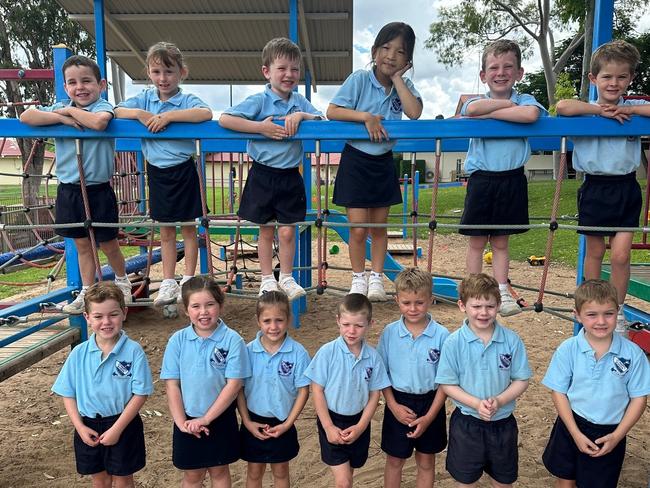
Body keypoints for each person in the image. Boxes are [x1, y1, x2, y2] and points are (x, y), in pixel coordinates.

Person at [20, 55, 132, 314]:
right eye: (72, 82)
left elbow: (98, 123)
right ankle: (87, 289)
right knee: (82, 244)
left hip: (97, 188)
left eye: (86, 81)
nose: (80, 87)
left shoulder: (102, 105)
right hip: (69, 188)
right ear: (66, 86)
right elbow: (27, 116)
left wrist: (69, 113)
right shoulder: (58, 106)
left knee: (108, 242)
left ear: (101, 84)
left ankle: (122, 279)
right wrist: (61, 116)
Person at [555, 40, 650, 335]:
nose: (614, 83)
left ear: (630, 79)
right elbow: (561, 106)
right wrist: (600, 111)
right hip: (594, 187)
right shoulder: (585, 110)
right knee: (594, 251)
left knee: (621, 255)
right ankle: (591, 307)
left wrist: (630, 112)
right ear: (593, 79)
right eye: (607, 77)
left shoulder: (633, 107)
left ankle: (617, 310)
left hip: (625, 187)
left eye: (622, 77)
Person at [219, 37, 323, 300]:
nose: (289, 74)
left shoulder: (299, 101)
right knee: (265, 230)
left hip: (290, 175)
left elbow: (323, 118)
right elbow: (225, 118)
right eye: (282, 68)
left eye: (295, 69)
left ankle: (286, 277)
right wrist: (260, 128)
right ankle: (267, 278)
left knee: (288, 230)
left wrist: (301, 115)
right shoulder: (259, 101)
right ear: (267, 71)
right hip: (262, 173)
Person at [326, 22, 422, 302]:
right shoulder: (359, 79)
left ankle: (377, 277)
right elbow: (333, 111)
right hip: (355, 161)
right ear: (374, 51)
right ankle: (359, 277)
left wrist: (399, 81)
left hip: (382, 162)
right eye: (386, 48)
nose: (391, 56)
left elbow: (414, 112)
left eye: (400, 52)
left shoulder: (403, 86)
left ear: (408, 61)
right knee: (357, 228)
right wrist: (365, 116)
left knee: (379, 228)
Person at [115, 42, 213, 306]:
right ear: (149, 73)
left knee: (189, 229)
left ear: (182, 72)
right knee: (166, 230)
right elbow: (116, 111)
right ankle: (169, 281)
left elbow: (205, 113)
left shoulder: (186, 99)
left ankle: (188, 280)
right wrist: (138, 113)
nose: (163, 78)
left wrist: (170, 117)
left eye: (169, 72)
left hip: (183, 171)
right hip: (157, 172)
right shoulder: (145, 99)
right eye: (157, 72)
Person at [459, 39, 546, 317]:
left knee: (500, 242)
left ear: (519, 73)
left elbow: (531, 115)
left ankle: (501, 289)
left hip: (512, 179)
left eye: (508, 66)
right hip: (482, 180)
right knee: (476, 241)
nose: (501, 72)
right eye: (494, 67)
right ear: (483, 75)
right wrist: (506, 108)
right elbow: (471, 111)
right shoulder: (478, 101)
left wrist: (497, 110)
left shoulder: (525, 99)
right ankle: (473, 291)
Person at [541, 279, 650, 488]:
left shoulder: (633, 354)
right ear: (577, 315)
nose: (601, 321)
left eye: (608, 313)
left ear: (617, 312)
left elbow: (639, 398)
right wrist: (574, 433)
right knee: (565, 479)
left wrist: (617, 436)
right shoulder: (568, 349)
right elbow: (558, 393)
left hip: (610, 430)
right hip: (571, 423)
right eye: (592, 314)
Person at [51, 281, 153, 487]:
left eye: (113, 314)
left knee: (123, 479)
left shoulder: (133, 351)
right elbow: (67, 392)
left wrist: (117, 429)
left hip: (123, 423)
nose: (106, 322)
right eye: (98, 316)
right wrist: (79, 426)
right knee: (100, 479)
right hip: (87, 424)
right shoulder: (79, 353)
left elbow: (140, 394)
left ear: (124, 313)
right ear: (87, 318)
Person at [436, 273, 532, 487]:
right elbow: (447, 383)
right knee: (465, 480)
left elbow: (521, 379)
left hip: (503, 423)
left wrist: (499, 401)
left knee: (502, 480)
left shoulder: (511, 340)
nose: (483, 312)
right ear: (463, 306)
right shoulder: (453, 342)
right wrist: (476, 404)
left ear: (498, 305)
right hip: (467, 423)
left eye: (489, 306)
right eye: (476, 306)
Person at [160, 276, 251, 488]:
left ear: (220, 305)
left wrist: (207, 418)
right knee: (192, 475)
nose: (203, 312)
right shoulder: (177, 340)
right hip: (187, 419)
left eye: (210, 304)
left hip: (219, 417)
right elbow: (172, 384)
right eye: (196, 306)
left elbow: (234, 384)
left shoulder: (232, 340)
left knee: (219, 471)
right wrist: (181, 422)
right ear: (186, 309)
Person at [305, 293, 391, 488]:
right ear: (338, 321)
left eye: (359, 326)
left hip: (358, 421)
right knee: (343, 482)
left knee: (349, 472)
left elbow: (374, 395)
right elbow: (316, 390)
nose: (352, 331)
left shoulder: (373, 357)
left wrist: (361, 426)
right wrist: (327, 426)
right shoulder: (327, 352)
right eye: (346, 325)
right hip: (332, 418)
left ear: (370, 324)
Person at [377, 267, 450, 487]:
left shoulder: (442, 335)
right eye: (406, 303)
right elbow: (382, 375)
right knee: (395, 459)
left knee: (426, 460)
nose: (413, 308)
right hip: (398, 401)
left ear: (431, 299)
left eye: (419, 302)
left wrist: (429, 416)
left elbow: (447, 382)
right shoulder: (389, 333)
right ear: (397, 299)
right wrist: (393, 406)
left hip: (432, 402)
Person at [237, 291, 310, 488]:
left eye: (279, 320)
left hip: (282, 421)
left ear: (289, 319)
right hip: (253, 421)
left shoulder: (298, 353)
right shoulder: (247, 351)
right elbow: (239, 390)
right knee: (254, 471)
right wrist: (247, 421)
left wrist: (287, 424)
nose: (273, 326)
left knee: (280, 471)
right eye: (267, 320)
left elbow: (304, 391)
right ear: (258, 320)